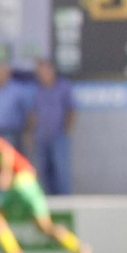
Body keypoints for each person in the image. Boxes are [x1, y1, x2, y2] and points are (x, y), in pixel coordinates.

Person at [0, 122, 92, 253]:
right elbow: (3, 170)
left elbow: (7, 152)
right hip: (25, 183)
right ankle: (80, 249)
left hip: (22, 183)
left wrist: (6, 175)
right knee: (44, 226)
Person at [28, 59, 76, 195]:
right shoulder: (36, 90)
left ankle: (65, 203)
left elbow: (71, 109)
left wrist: (67, 130)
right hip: (41, 136)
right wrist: (31, 133)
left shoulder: (63, 86)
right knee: (44, 171)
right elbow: (33, 113)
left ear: (52, 71)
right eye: (39, 72)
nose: (41, 75)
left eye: (44, 71)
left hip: (58, 135)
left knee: (61, 171)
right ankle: (50, 203)